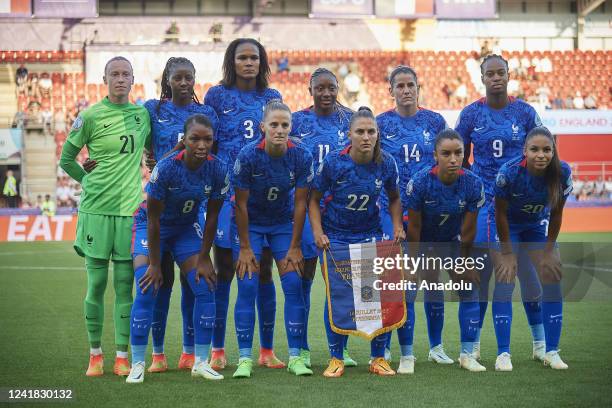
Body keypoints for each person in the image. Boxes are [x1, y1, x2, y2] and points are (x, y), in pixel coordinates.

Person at [59, 56, 151, 377]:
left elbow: (152, 153)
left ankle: (122, 355)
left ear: (133, 79)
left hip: (129, 212)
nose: (121, 79)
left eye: (126, 74)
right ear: (105, 79)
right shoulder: (90, 116)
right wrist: (87, 180)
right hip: (96, 211)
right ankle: (95, 354)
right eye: (115, 74)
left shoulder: (142, 116)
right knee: (96, 283)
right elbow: (66, 158)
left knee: (126, 286)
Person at [455, 54, 545, 366]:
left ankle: (540, 344)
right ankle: (473, 346)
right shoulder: (470, 115)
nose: (496, 78)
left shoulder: (525, 112)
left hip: (519, 207)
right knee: (481, 276)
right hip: (483, 205)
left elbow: (543, 149)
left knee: (528, 275)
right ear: (482, 78)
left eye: (501, 72)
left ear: (508, 75)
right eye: (490, 73)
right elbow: (458, 159)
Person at [126, 114, 229, 383]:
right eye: (195, 139)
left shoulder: (218, 169)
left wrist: (205, 257)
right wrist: (155, 264)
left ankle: (201, 361)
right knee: (147, 285)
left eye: (207, 139)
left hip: (185, 227)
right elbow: (153, 219)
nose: (201, 145)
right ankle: (137, 362)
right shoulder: (166, 168)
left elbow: (214, 217)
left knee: (206, 286)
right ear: (184, 140)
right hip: (152, 226)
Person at [204, 38, 283, 370]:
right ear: (231, 61)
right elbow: (208, 143)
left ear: (262, 62)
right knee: (225, 273)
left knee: (263, 272)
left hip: (262, 199)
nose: (249, 62)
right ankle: (218, 349)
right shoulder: (215, 95)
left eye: (254, 57)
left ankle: (266, 351)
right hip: (226, 196)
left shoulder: (272, 98)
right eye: (242, 57)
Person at [308, 106, 405, 378]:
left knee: (371, 297)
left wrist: (397, 225)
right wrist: (317, 232)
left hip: (369, 235)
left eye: (370, 131)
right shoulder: (334, 163)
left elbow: (394, 197)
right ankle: (336, 358)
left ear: (377, 134)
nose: (366, 136)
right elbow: (313, 200)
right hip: (336, 238)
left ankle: (377, 358)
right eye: (360, 131)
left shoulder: (386, 163)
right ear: (349, 134)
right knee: (338, 298)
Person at [142, 57, 220, 373]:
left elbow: (214, 152)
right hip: (161, 206)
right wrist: (151, 157)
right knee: (161, 282)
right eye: (178, 78)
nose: (185, 83)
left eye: (190, 77)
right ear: (168, 81)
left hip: (195, 208)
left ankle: (190, 352)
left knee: (194, 282)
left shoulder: (206, 115)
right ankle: (158, 355)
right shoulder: (153, 110)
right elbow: (144, 146)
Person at [231, 100, 314, 378]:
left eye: (285, 125)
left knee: (293, 283)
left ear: (291, 127)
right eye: (274, 125)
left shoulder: (301, 156)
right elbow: (239, 205)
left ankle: (295, 357)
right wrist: (244, 247)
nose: (280, 130)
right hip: (251, 225)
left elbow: (301, 203)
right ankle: (245, 358)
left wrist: (295, 245)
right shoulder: (247, 156)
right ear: (262, 127)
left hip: (282, 224)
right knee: (247, 284)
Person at [377, 66, 449, 365]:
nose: (406, 90)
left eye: (411, 85)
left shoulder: (435, 121)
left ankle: (436, 347)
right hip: (389, 210)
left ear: (419, 88)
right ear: (390, 90)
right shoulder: (379, 123)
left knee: (431, 281)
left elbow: (449, 160)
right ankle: (387, 345)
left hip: (429, 214)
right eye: (400, 85)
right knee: (393, 282)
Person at [404, 129, 486, 373]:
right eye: (446, 153)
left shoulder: (473, 183)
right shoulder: (419, 183)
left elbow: (469, 229)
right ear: (435, 155)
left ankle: (466, 354)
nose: (453, 159)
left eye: (458, 153)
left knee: (468, 286)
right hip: (422, 241)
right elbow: (415, 228)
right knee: (409, 289)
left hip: (450, 241)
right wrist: (411, 264)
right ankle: (407, 355)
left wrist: (464, 262)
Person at [289, 67, 354, 368]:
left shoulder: (351, 120)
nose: (326, 93)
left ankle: (341, 348)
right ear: (310, 89)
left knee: (342, 285)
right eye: (320, 88)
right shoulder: (297, 121)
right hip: (305, 211)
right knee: (304, 281)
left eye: (331, 87)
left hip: (341, 213)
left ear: (338, 88)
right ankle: (300, 348)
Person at [494, 126, 572, 370]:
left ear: (553, 151)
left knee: (552, 279)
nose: (541, 155)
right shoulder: (509, 173)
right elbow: (500, 213)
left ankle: (551, 351)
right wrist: (507, 252)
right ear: (524, 151)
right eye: (535, 149)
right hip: (511, 228)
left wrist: (549, 250)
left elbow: (557, 213)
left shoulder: (563, 173)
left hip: (537, 228)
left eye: (547, 150)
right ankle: (503, 354)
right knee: (505, 282)